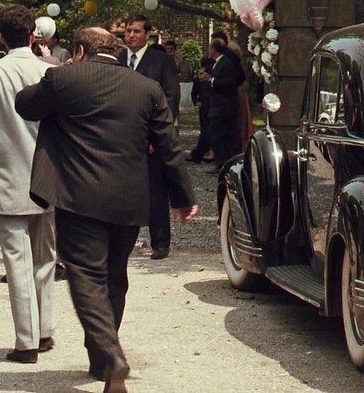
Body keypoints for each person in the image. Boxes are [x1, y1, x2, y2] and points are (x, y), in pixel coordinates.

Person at [15, 27, 198, 392]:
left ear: (80, 51)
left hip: (78, 197)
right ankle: (100, 361)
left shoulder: (64, 78)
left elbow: (25, 104)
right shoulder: (146, 87)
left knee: (86, 276)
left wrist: (57, 72)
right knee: (115, 276)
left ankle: (111, 356)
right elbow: (168, 146)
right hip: (130, 198)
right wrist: (183, 197)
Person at [0, 4, 56, 364]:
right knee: (46, 257)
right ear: (33, 35)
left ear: (1, 38)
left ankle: (26, 340)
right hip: (49, 174)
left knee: (17, 260)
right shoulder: (51, 70)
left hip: (7, 172)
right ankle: (45, 329)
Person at [117, 14, 179, 260]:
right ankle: (120, 242)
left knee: (156, 190)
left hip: (152, 138)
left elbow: (170, 98)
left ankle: (160, 242)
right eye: (128, 31)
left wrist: (158, 136)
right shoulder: (118, 59)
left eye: (136, 31)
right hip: (121, 137)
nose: (130, 36)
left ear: (147, 34)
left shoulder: (162, 61)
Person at [206, 38, 243, 173]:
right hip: (219, 105)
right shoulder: (217, 63)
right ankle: (229, 162)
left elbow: (230, 83)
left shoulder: (226, 63)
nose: (208, 50)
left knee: (215, 134)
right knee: (228, 135)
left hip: (224, 107)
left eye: (210, 47)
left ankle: (222, 163)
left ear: (214, 49)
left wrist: (211, 80)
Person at [187, 57, 215, 163]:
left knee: (207, 131)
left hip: (210, 106)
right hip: (204, 106)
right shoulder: (200, 79)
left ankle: (201, 153)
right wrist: (196, 101)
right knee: (205, 129)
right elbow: (194, 92)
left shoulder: (211, 78)